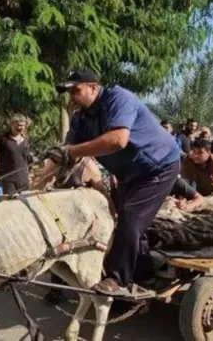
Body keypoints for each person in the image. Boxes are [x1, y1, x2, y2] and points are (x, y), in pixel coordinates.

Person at [46, 67, 180, 295]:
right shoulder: (81, 118)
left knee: (130, 217)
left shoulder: (119, 99)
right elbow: (66, 153)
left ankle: (117, 279)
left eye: (76, 90)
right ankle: (145, 273)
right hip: (130, 174)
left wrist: (71, 152)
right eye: (70, 93)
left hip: (158, 168)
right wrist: (45, 175)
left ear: (93, 87)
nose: (73, 97)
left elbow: (117, 140)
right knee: (122, 220)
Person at [0, 114, 33, 195]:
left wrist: (30, 175)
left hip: (24, 179)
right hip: (9, 180)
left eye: (23, 125)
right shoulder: (3, 139)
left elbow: (28, 159)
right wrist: (0, 176)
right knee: (11, 203)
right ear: (12, 124)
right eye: (19, 125)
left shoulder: (26, 140)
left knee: (25, 203)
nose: (21, 128)